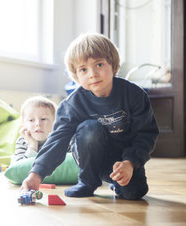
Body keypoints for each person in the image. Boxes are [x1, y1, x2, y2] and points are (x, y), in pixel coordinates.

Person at [21, 33, 159, 200]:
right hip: (92, 158)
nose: (92, 74)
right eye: (83, 69)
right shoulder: (72, 104)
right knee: (89, 128)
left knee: (135, 193)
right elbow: (57, 140)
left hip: (125, 159)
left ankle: (118, 181)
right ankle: (87, 181)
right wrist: (36, 175)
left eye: (99, 64)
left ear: (113, 65)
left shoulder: (135, 95)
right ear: (76, 75)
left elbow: (145, 134)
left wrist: (129, 163)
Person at [11, 96, 57, 164]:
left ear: (55, 123)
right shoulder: (23, 141)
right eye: (31, 120)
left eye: (43, 119)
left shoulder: (60, 140)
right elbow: (20, 167)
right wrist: (33, 145)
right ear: (24, 125)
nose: (38, 124)